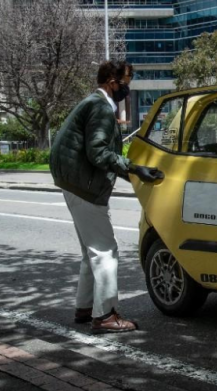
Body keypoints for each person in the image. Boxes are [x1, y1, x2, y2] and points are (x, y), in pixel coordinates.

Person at [49, 60, 163, 334]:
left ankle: (85, 308)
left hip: (73, 181)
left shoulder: (93, 103)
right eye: (127, 80)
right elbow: (98, 153)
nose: (129, 86)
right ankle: (106, 316)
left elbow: (99, 153)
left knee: (91, 252)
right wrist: (134, 168)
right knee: (106, 251)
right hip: (84, 186)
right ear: (112, 81)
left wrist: (132, 174)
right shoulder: (100, 107)